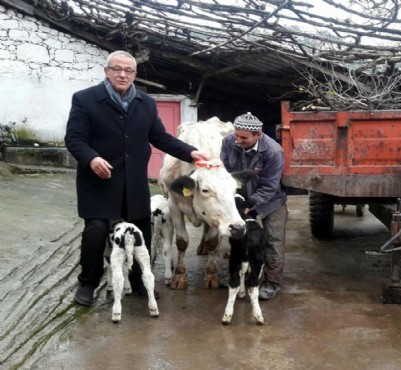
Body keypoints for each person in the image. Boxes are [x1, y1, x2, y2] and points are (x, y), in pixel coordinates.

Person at [65, 50, 209, 306]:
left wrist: (190, 152)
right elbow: (74, 138)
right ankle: (88, 282)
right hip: (98, 180)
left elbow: (160, 137)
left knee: (142, 231)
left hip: (133, 181)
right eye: (117, 69)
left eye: (128, 70)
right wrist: (92, 158)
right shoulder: (85, 99)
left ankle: (142, 280)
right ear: (106, 71)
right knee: (96, 232)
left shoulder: (145, 103)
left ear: (135, 74)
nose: (122, 74)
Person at [221, 112, 288, 300]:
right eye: (236, 135)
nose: (238, 140)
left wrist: (251, 205)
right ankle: (238, 278)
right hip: (241, 199)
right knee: (238, 239)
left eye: (244, 137)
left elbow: (270, 186)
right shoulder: (228, 142)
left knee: (272, 241)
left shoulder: (274, 152)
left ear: (257, 135)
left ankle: (272, 283)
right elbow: (225, 171)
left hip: (271, 202)